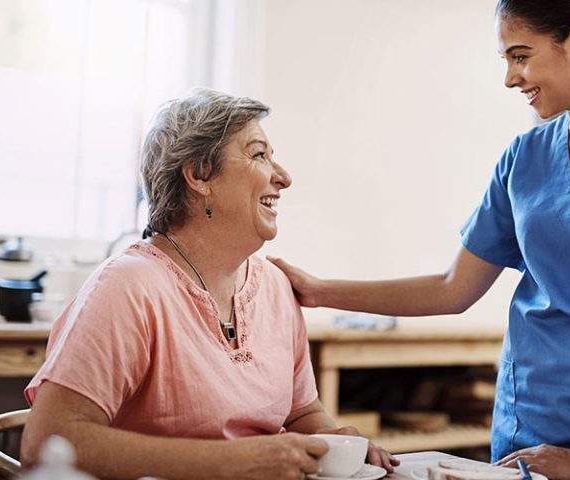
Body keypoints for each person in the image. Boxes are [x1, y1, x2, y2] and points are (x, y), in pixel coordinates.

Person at [269, 1, 570, 479]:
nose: (511, 79)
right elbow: (454, 287)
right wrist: (320, 290)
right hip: (528, 430)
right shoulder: (525, 156)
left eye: (520, 56)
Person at [21, 88, 398, 480]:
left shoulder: (275, 287)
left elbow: (301, 411)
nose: (283, 177)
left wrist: (335, 442)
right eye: (258, 154)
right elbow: (47, 444)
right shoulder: (128, 287)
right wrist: (235, 462)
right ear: (200, 174)